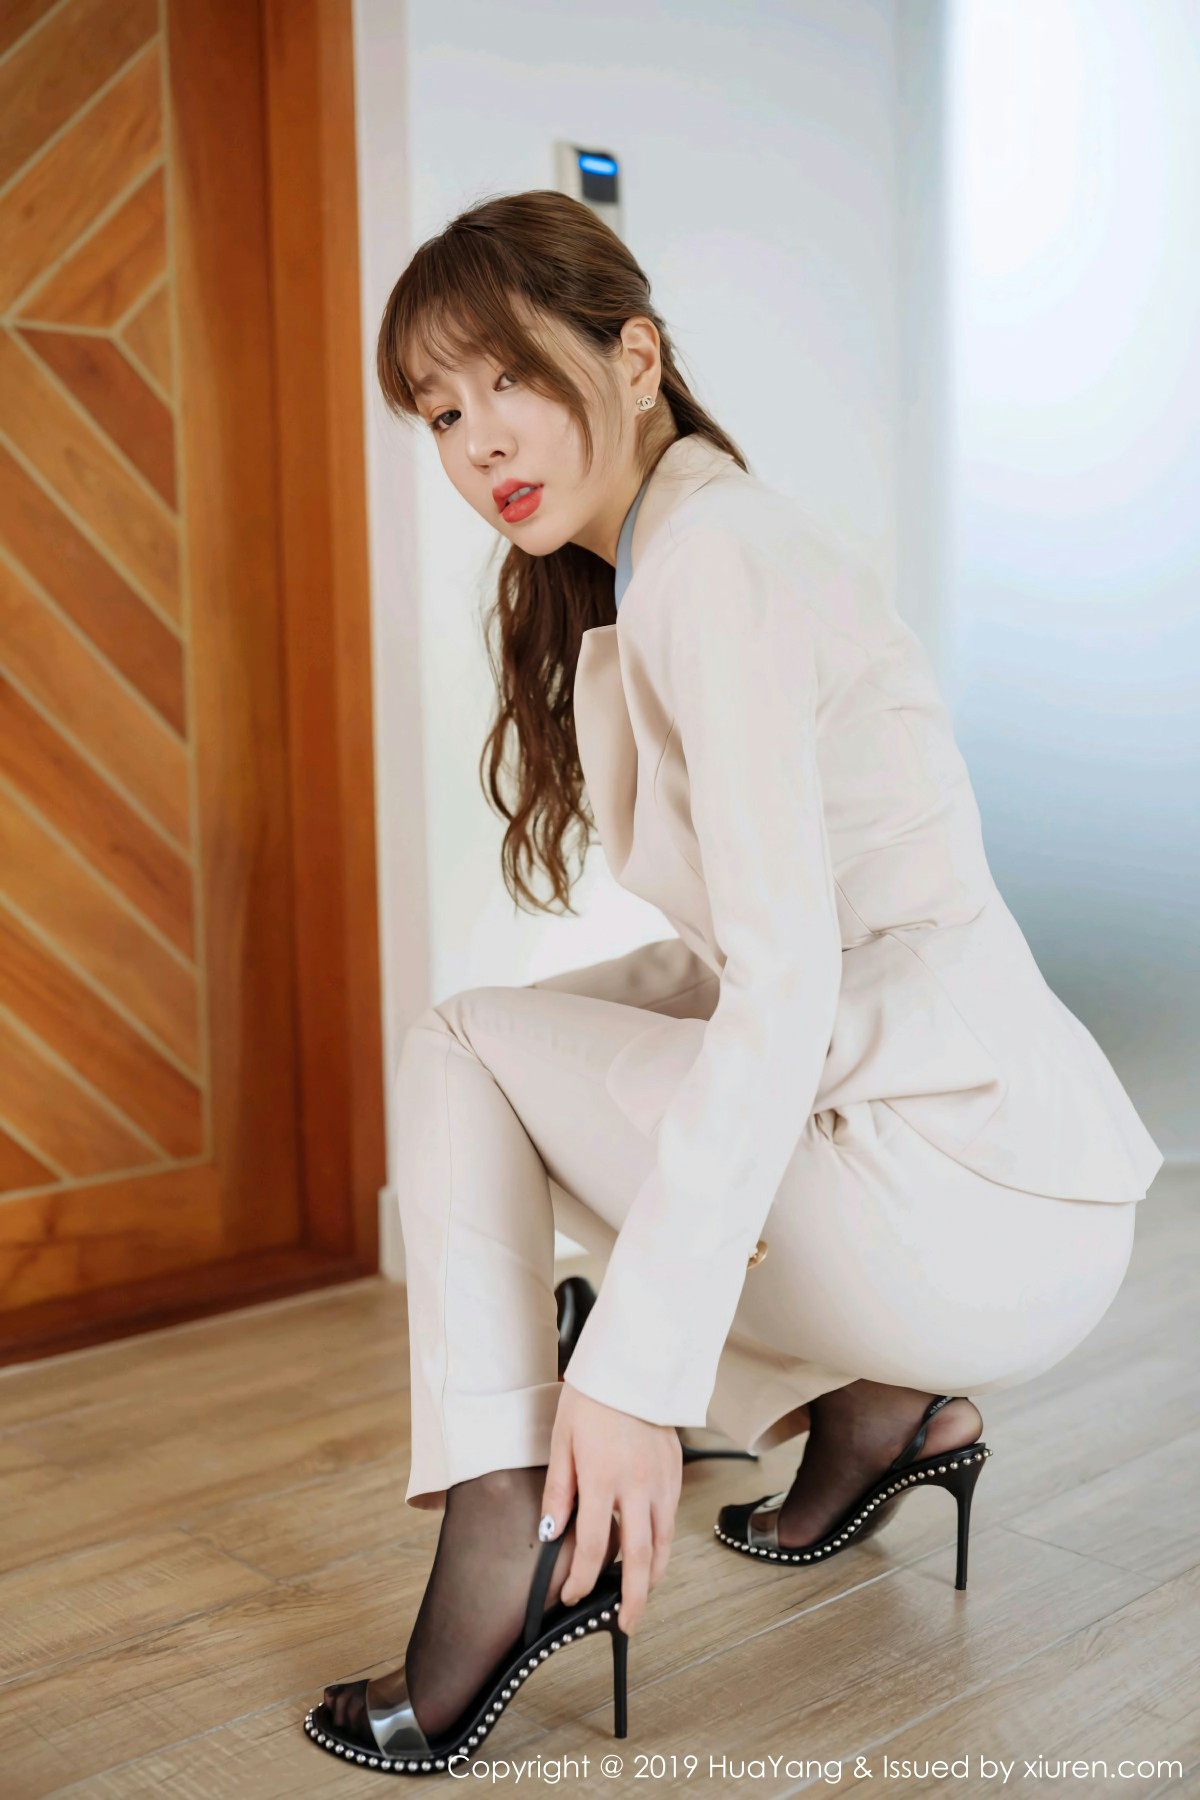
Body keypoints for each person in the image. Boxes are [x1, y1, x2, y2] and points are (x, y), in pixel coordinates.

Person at [308, 191, 1163, 1774]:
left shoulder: (710, 561)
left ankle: (509, 1517)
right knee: (526, 1042)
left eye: (510, 379)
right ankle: (886, 1410)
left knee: (460, 1049)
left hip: (945, 1209)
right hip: (1018, 1201)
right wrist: (588, 1030)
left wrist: (628, 1382)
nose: (479, 441)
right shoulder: (693, 546)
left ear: (635, 359)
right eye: (440, 410)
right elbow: (762, 962)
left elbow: (779, 991)